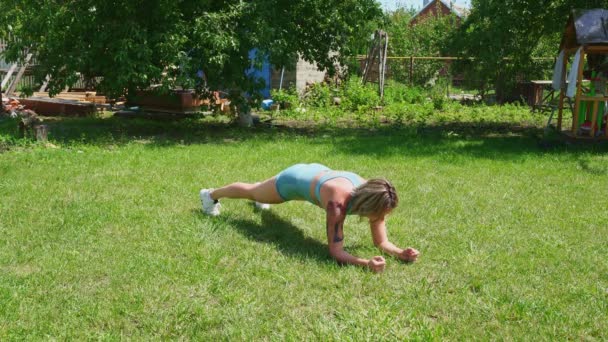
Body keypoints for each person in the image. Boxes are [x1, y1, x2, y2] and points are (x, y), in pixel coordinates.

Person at [200, 163, 420, 273]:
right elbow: (335, 252)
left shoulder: (374, 196)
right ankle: (210, 195)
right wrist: (366, 263)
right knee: (254, 190)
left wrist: (401, 253)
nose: (381, 218)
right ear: (368, 205)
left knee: (260, 194)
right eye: (380, 214)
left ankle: (261, 200)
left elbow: (380, 242)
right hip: (293, 181)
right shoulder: (337, 204)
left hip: (317, 171)